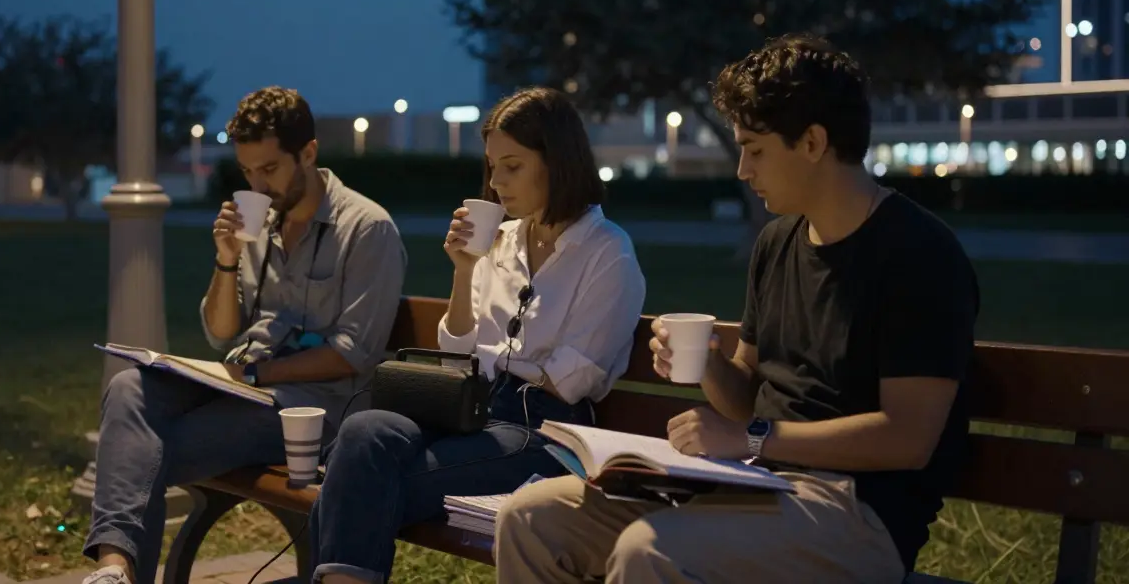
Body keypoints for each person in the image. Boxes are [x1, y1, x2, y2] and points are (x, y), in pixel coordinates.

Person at [494, 35, 980, 583]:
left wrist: (753, 439)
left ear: (814, 142)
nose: (744, 170)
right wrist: (710, 367)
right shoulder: (778, 243)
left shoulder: (918, 254)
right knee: (531, 519)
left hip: (855, 512)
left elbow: (908, 438)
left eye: (756, 149)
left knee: (650, 550)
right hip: (750, 482)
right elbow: (747, 394)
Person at [306, 86, 648, 583]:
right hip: (472, 412)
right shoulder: (502, 241)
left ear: (558, 161)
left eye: (512, 165)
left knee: (361, 477)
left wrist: (503, 364)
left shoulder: (607, 253)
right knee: (363, 432)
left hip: (545, 435)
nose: (495, 181)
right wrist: (465, 270)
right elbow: (456, 353)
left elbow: (571, 382)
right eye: (491, 166)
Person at [82, 86, 407, 584]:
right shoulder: (263, 226)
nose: (258, 184)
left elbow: (351, 354)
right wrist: (227, 257)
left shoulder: (367, 228)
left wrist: (252, 372)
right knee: (129, 387)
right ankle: (115, 570)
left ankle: (119, 571)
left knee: (142, 450)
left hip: (310, 410)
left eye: (270, 169)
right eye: (248, 171)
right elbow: (220, 333)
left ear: (309, 153)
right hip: (241, 385)